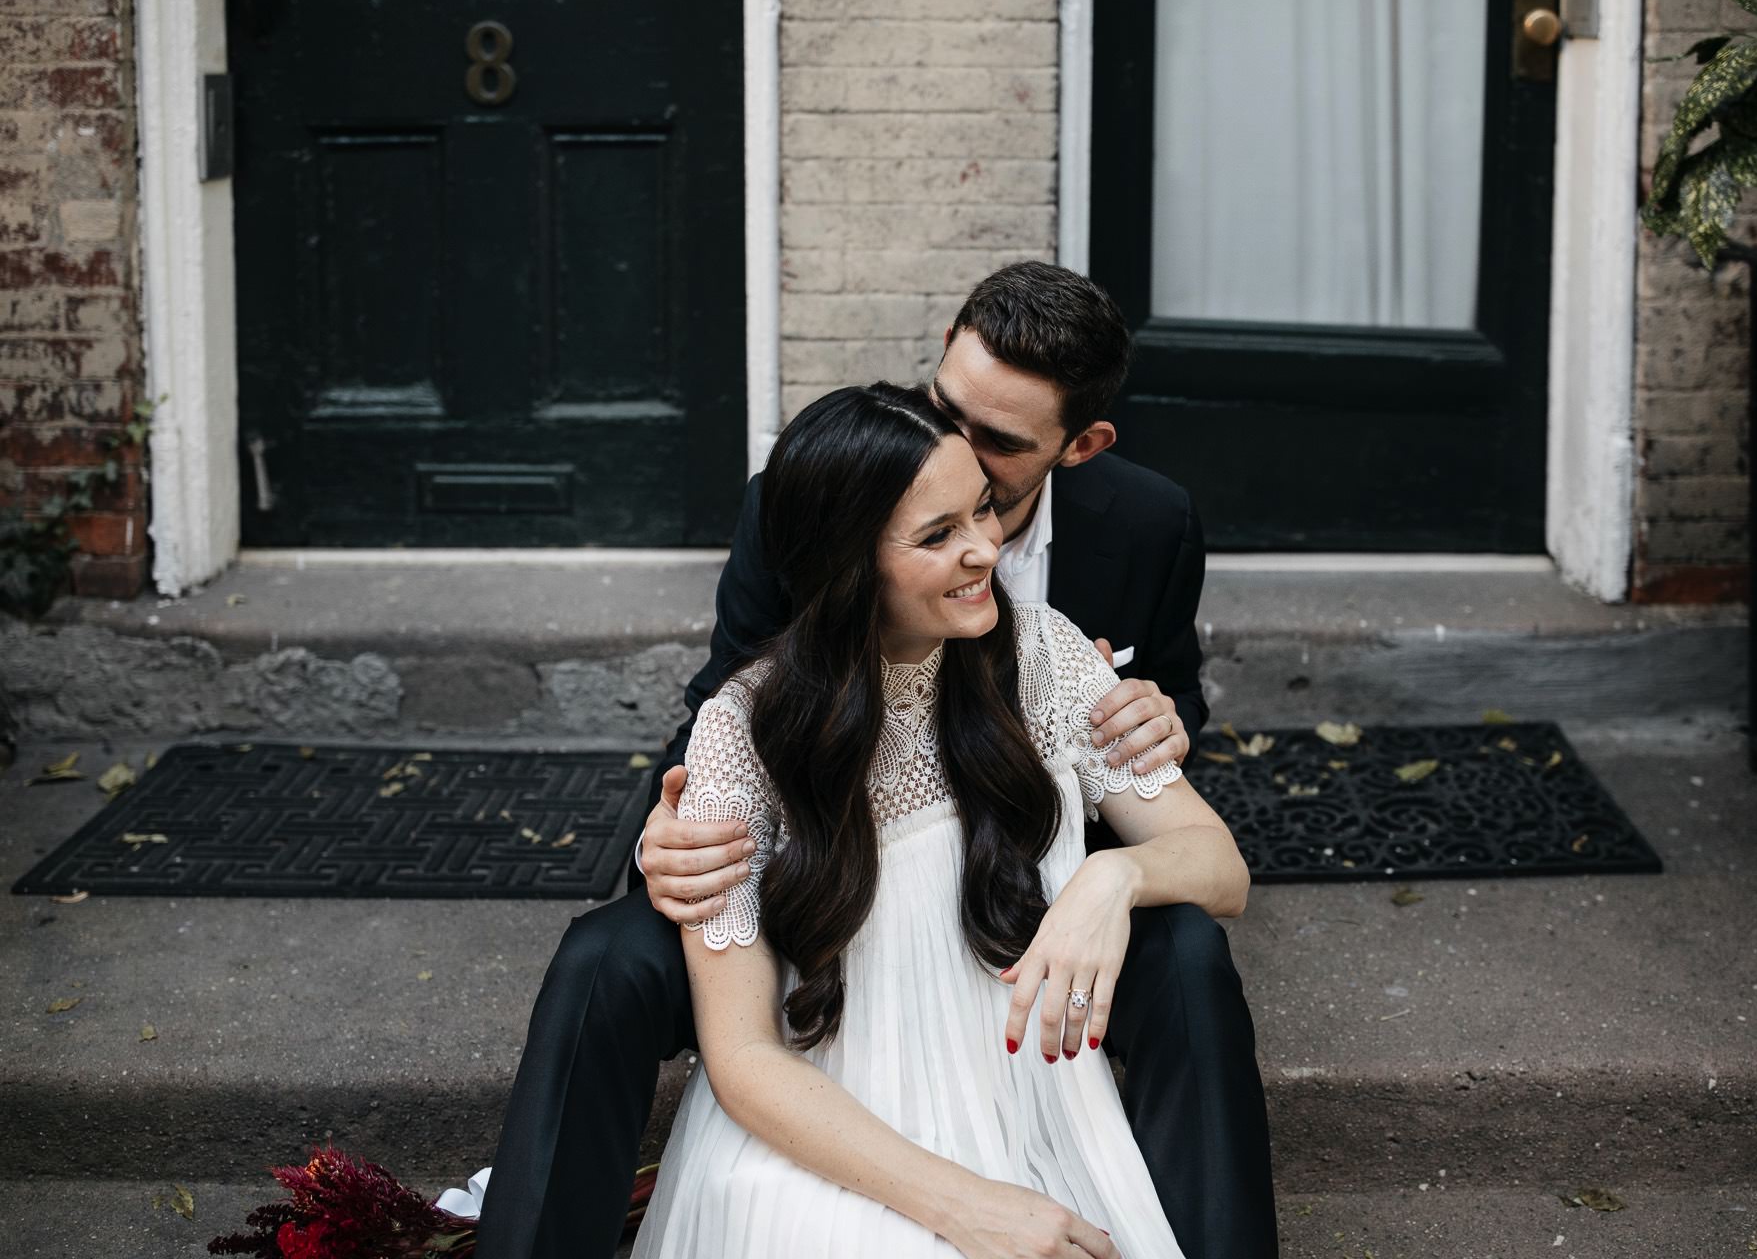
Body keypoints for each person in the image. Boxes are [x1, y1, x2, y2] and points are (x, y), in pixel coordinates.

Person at [474, 263, 1277, 1258]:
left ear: (1079, 447)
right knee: (605, 959)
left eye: (990, 478)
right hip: (814, 882)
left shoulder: (1107, 575)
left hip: (1020, 899)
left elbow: (1186, 767)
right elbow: (733, 706)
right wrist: (670, 828)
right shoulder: (815, 496)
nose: (974, 515)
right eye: (947, 417)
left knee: (1190, 951)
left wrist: (1122, 854)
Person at [629, 382, 1249, 1256]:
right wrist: (966, 1207)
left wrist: (1115, 876)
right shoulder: (743, 729)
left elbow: (1221, 866)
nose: (986, 549)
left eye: (984, 511)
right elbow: (742, 1057)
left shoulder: (1045, 654)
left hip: (1031, 1108)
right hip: (831, 1138)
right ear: (849, 567)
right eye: (938, 535)